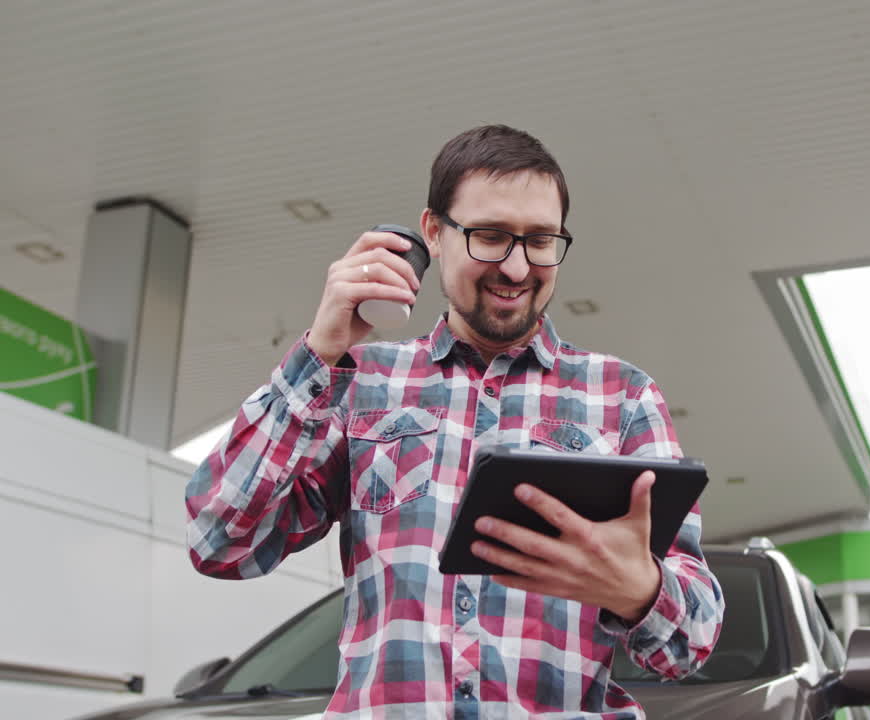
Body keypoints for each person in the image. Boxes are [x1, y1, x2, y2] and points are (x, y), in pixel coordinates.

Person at [186, 124, 724, 719]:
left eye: (541, 240)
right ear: (434, 234)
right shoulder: (359, 381)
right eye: (491, 236)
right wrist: (319, 351)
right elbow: (220, 541)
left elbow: (691, 642)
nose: (518, 268)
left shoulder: (623, 397)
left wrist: (639, 591)